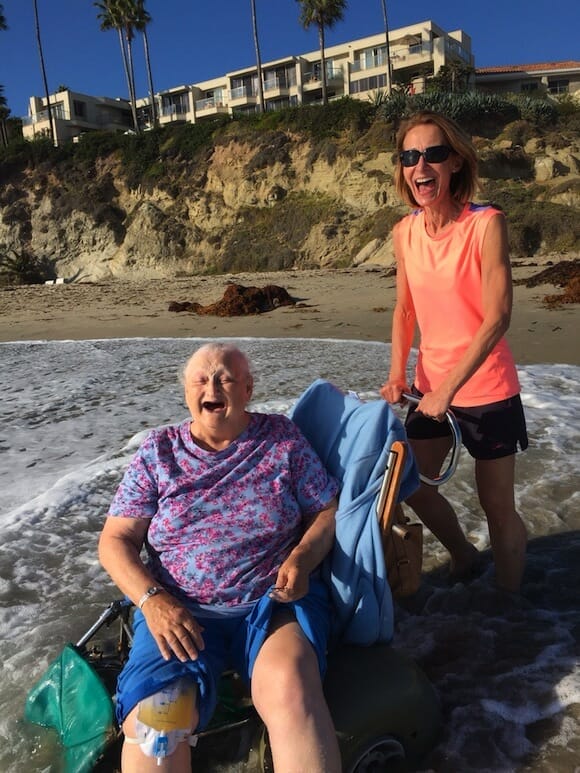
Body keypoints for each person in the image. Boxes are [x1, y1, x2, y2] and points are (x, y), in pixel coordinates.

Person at [98, 342, 341, 773]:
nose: (212, 386)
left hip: (272, 604)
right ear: (186, 391)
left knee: (291, 690)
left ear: (247, 389)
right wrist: (153, 601)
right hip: (178, 612)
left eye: (225, 378)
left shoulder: (282, 439)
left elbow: (325, 509)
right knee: (157, 729)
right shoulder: (159, 452)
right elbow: (115, 540)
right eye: (200, 378)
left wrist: (302, 558)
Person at [380, 110, 528, 593]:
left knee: (496, 505)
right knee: (411, 485)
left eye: (434, 154)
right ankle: (464, 554)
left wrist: (448, 388)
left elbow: (497, 317)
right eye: (410, 156)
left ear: (456, 163)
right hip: (429, 388)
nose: (421, 166)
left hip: (487, 388)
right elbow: (405, 310)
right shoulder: (404, 232)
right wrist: (398, 374)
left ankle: (512, 614)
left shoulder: (486, 224)